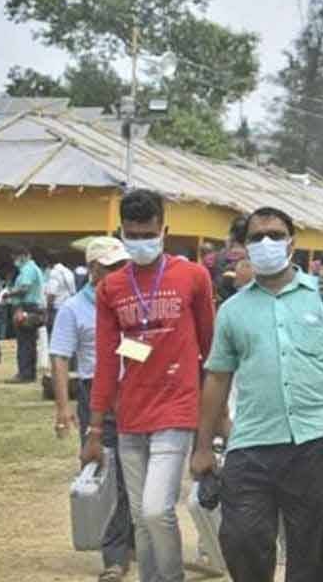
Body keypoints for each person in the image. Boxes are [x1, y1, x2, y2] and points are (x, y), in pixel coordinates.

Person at [192, 206, 323, 582]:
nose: (266, 242)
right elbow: (217, 378)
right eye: (257, 237)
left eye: (275, 234)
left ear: (292, 242)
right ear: (244, 246)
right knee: (242, 538)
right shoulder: (233, 310)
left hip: (313, 440)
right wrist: (203, 445)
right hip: (251, 442)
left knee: (311, 550)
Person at [83, 188, 217, 582]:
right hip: (131, 413)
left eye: (148, 233)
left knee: (157, 509)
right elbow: (107, 360)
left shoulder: (193, 276)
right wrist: (94, 428)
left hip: (177, 406)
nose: (140, 241)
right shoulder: (111, 288)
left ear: (164, 230)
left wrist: (216, 414)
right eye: (133, 234)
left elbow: (211, 349)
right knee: (141, 518)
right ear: (121, 231)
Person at [50, 237, 136, 582]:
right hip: (96, 396)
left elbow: (140, 348)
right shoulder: (73, 308)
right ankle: (113, 555)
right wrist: (62, 408)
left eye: (124, 265)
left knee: (135, 471)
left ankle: (130, 540)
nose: (123, 272)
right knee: (108, 475)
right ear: (96, 269)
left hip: (134, 393)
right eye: (115, 267)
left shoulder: (131, 303)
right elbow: (60, 358)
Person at [4, 245, 46, 383]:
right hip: (32, 307)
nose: (15, 261)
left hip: (27, 307)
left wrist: (8, 293)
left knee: (24, 342)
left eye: (16, 257)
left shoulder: (28, 269)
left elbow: (24, 288)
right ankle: (29, 373)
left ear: (24, 255)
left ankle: (24, 373)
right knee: (29, 342)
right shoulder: (33, 269)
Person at [46, 254, 78, 332]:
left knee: (55, 333)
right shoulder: (69, 272)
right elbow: (73, 291)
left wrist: (47, 309)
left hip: (57, 308)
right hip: (69, 307)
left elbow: (51, 294)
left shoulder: (54, 273)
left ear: (49, 263)